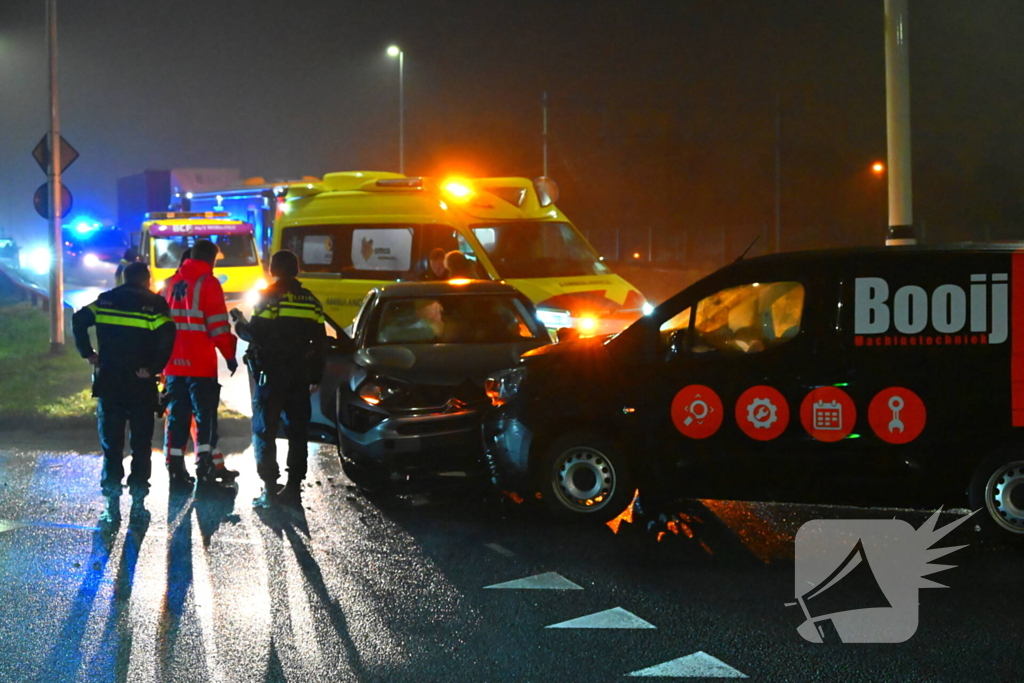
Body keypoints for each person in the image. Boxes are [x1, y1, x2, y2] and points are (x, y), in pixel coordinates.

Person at [72, 262, 176, 523]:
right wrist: (153, 367)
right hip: (140, 384)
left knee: (111, 443)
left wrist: (88, 354)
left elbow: (78, 319)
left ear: (124, 278)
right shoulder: (155, 304)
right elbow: (168, 335)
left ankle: (111, 502)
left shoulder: (106, 301)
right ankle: (139, 500)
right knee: (141, 444)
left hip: (110, 382)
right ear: (147, 281)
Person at [234, 250, 326, 508]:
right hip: (299, 374)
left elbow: (258, 334)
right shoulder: (311, 301)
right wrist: (315, 375)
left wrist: (240, 324)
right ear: (296, 270)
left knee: (265, 429)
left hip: (271, 374)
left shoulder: (269, 297)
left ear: (273, 269)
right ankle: (293, 488)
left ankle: (269, 489)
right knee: (298, 431)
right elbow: (320, 343)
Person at [162, 239, 239, 487]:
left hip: (173, 364)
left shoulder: (171, 283)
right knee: (204, 416)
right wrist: (229, 355)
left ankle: (175, 470)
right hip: (200, 365)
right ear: (211, 260)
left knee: (177, 417)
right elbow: (218, 326)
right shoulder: (208, 283)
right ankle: (204, 468)